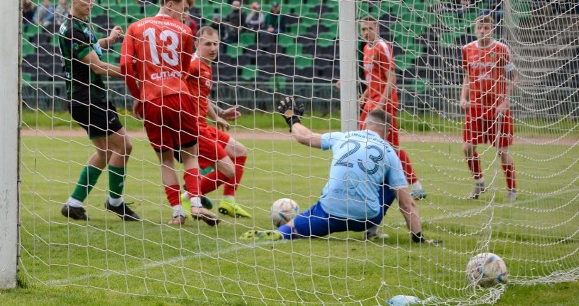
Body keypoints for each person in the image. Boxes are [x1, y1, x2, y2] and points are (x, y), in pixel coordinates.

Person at [241, 102, 438, 244]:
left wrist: (293, 119)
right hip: (366, 217)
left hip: (329, 213)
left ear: (364, 125)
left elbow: (304, 137)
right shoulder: (390, 152)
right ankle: (371, 232)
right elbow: (407, 202)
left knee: (298, 226)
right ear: (387, 132)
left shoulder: (343, 137)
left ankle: (283, 231)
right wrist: (418, 237)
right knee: (391, 183)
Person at [120, 0, 219, 226]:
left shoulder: (134, 27)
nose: (185, 15)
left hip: (151, 99)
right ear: (170, 4)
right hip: (179, 96)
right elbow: (185, 67)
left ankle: (177, 212)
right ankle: (195, 203)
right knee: (190, 155)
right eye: (183, 9)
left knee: (165, 159)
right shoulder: (185, 31)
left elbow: (125, 66)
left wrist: (138, 95)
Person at [57, 0, 139, 222]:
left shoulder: (81, 24)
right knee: (124, 146)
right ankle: (115, 202)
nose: (90, 3)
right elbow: (97, 66)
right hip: (88, 98)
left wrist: (108, 41)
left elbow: (92, 48)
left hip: (83, 98)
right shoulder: (73, 28)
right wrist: (133, 72)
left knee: (105, 152)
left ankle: (73, 203)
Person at [183, 26, 251, 218]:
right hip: (193, 128)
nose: (212, 48)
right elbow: (176, 81)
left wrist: (218, 114)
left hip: (204, 125)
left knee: (240, 152)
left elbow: (201, 97)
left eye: (215, 44)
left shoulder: (206, 65)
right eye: (207, 44)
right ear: (197, 44)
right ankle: (189, 196)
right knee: (229, 170)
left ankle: (228, 202)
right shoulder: (194, 64)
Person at [358, 16, 427, 199]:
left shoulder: (382, 47)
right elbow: (372, 78)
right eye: (363, 29)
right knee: (362, 140)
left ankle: (417, 187)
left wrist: (380, 104)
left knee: (392, 148)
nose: (366, 32)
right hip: (371, 103)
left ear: (377, 28)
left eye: (369, 28)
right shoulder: (366, 48)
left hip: (384, 104)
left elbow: (391, 78)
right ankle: (370, 183)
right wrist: (364, 96)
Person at [460, 14, 518, 201]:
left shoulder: (501, 49)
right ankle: (479, 183)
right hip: (476, 106)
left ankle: (512, 189)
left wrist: (506, 101)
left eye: (486, 28)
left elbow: (513, 76)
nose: (482, 31)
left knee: (502, 151)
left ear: (492, 29)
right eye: (479, 27)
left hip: (497, 108)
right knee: (467, 147)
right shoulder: (467, 49)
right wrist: (463, 98)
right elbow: (468, 77)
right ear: (475, 29)